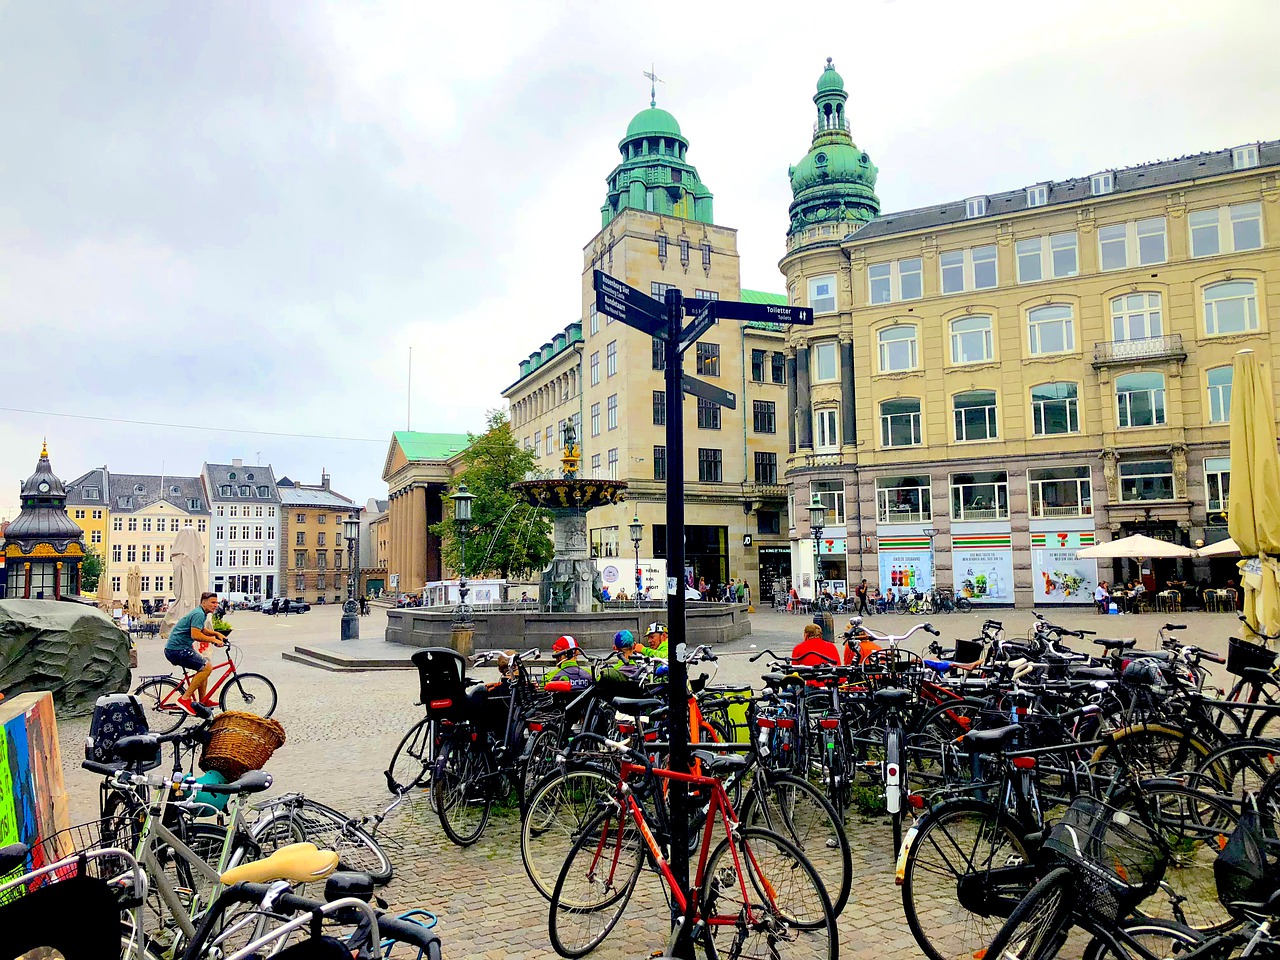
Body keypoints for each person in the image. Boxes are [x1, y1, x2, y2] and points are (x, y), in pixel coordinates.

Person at [164, 592, 226, 714]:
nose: (216, 605)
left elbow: (200, 629)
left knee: (203, 667)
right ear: (203, 602)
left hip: (177, 648)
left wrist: (215, 633)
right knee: (207, 668)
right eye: (213, 602)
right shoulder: (199, 613)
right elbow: (195, 634)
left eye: (217, 602)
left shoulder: (200, 613)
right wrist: (213, 640)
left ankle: (203, 701)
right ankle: (184, 698)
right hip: (177, 650)